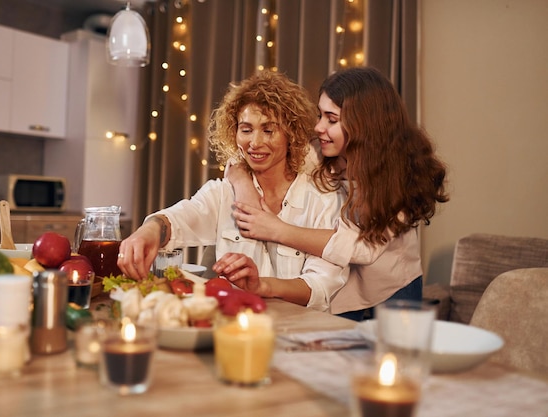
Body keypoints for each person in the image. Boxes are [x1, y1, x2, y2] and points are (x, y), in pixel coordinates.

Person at [227, 67, 448, 320]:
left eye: (331, 119)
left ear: (364, 124)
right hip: (342, 289)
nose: (319, 127)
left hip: (392, 291)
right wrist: (242, 184)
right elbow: (245, 155)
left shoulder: (399, 175)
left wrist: (276, 229)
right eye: (320, 115)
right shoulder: (320, 152)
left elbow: (363, 248)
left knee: (392, 357)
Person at [116, 70, 347, 312]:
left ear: (291, 134)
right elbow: (180, 218)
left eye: (269, 130)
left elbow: (322, 287)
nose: (255, 143)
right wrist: (150, 230)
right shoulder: (224, 193)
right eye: (246, 130)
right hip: (232, 328)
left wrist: (262, 286)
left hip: (299, 335)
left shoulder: (323, 197)